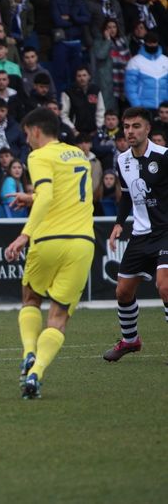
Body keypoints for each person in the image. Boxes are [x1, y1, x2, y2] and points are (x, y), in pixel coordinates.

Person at [4, 108, 95, 400]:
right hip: (82, 243)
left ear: (35, 130)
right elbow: (65, 192)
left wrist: (24, 234)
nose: (26, 140)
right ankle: (36, 373)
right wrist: (31, 197)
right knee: (59, 317)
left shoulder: (39, 156)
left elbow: (46, 196)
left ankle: (29, 353)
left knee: (31, 298)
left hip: (48, 239)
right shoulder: (79, 155)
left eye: (26, 134)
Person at [102, 108, 168, 362]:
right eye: (127, 126)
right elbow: (127, 195)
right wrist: (119, 223)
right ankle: (130, 341)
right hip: (140, 235)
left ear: (147, 129)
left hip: (165, 232)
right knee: (123, 292)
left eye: (136, 126)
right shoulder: (122, 160)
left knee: (165, 286)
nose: (130, 131)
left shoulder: (163, 156)